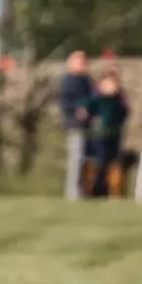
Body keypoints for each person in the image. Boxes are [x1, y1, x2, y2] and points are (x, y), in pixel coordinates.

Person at [82, 68, 128, 197]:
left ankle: (107, 191)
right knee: (98, 164)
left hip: (114, 135)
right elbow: (85, 109)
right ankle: (94, 190)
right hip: (99, 136)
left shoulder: (119, 100)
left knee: (111, 165)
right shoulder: (97, 98)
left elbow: (124, 113)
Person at [57, 50, 93, 200]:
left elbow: (91, 99)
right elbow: (65, 102)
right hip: (74, 125)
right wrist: (77, 110)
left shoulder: (86, 81)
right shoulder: (68, 81)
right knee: (76, 158)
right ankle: (72, 193)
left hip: (87, 126)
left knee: (85, 159)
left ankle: (83, 190)